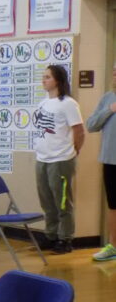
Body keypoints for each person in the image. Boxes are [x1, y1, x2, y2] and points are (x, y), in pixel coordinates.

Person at [33, 64, 84, 255]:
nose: (43, 80)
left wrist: (74, 151)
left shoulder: (68, 104)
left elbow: (79, 131)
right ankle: (51, 235)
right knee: (46, 200)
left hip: (61, 159)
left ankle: (65, 238)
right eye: (43, 76)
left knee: (62, 202)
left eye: (47, 77)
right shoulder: (43, 103)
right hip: (42, 158)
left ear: (58, 81)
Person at [86, 63, 116, 261]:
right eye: (114, 71)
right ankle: (113, 246)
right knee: (113, 205)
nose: (115, 75)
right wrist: (109, 110)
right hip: (110, 161)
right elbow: (91, 125)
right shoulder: (107, 98)